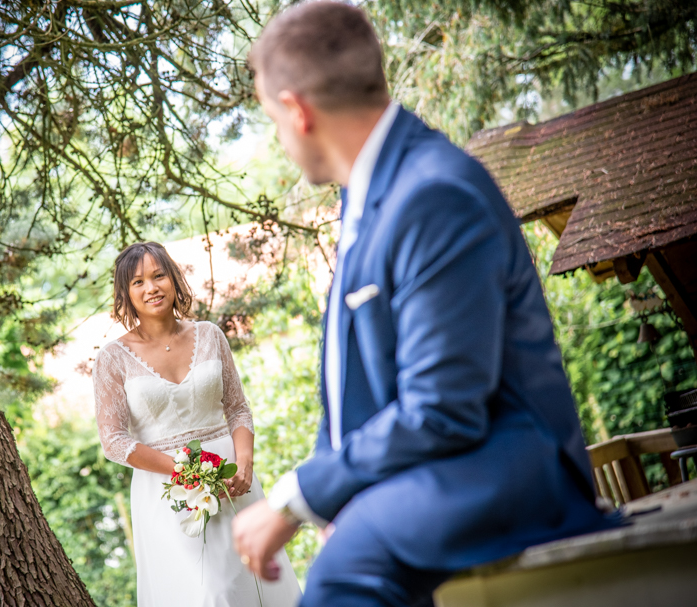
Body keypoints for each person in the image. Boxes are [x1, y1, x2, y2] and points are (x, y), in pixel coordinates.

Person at [231, 3, 616, 606]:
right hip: (439, 472)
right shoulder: (368, 194)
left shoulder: (433, 193)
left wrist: (296, 497)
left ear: (297, 111)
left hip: (510, 470)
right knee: (352, 542)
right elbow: (357, 385)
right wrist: (342, 492)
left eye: (270, 118)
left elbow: (443, 407)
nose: (279, 139)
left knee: (343, 574)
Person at [93, 241, 301, 607]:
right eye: (138, 282)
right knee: (210, 593)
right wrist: (186, 473)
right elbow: (113, 441)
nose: (151, 288)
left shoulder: (209, 335)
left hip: (235, 480)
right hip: (168, 491)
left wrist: (245, 462)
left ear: (174, 280)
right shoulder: (112, 358)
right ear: (125, 293)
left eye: (159, 276)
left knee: (255, 582)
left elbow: (237, 409)